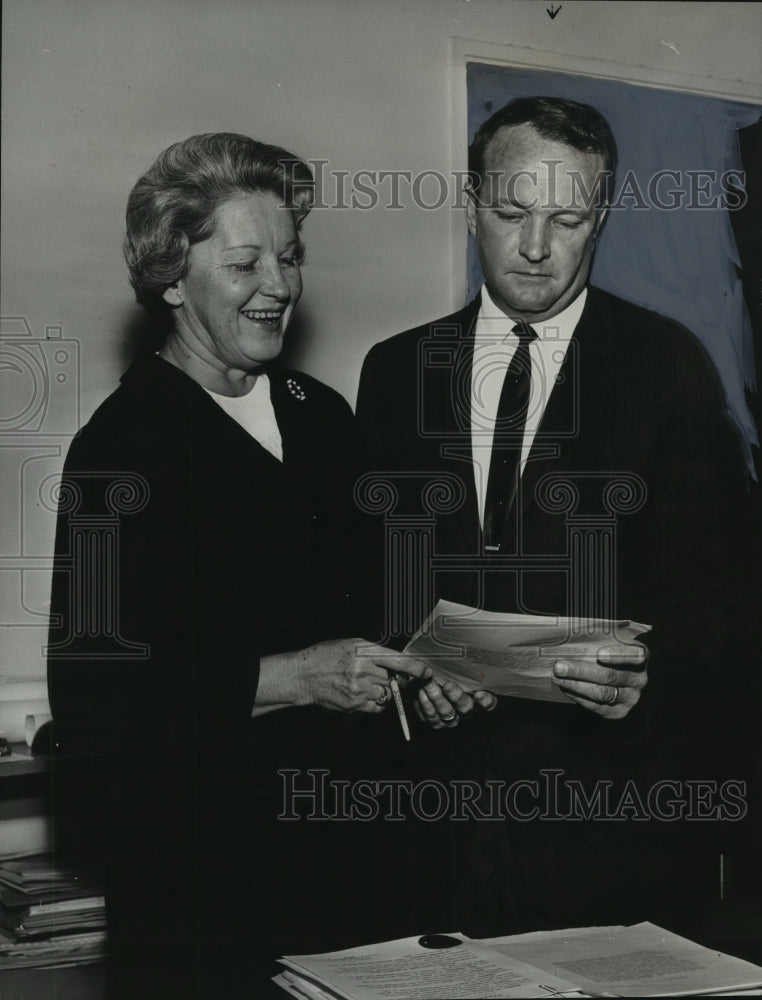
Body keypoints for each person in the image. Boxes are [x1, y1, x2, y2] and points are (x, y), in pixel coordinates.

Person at [46, 133, 433, 999]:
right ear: (171, 278)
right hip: (205, 897)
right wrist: (293, 678)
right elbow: (95, 704)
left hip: (358, 876)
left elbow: (389, 602)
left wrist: (435, 666)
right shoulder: (117, 452)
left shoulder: (326, 417)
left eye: (289, 257)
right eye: (246, 262)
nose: (280, 288)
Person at [356, 97, 752, 937]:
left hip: (613, 833)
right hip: (433, 829)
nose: (536, 247)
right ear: (470, 206)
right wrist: (412, 676)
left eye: (567, 219)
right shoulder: (394, 372)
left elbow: (719, 594)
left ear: (600, 217)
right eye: (510, 213)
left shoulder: (669, 367)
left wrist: (647, 673)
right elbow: (379, 577)